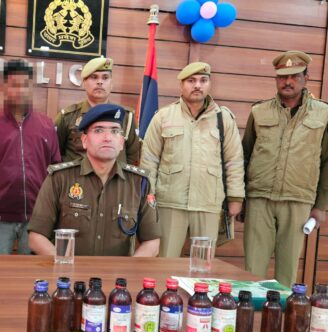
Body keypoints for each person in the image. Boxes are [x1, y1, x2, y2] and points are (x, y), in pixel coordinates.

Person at [241, 50, 328, 286]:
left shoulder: (323, 114)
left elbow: (326, 161)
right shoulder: (259, 111)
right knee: (252, 272)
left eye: (295, 76)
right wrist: (240, 197)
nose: (288, 82)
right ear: (276, 78)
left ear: (306, 78)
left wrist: (320, 205)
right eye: (282, 76)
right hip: (259, 198)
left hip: (298, 200)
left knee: (287, 273)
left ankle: (280, 310)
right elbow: (245, 154)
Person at [140, 62, 245, 257]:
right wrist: (149, 196)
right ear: (181, 85)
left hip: (208, 201)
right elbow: (149, 160)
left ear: (209, 84)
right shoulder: (163, 117)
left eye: (203, 80)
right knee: (165, 261)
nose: (197, 85)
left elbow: (234, 162)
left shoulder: (223, 119)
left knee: (202, 265)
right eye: (191, 81)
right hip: (170, 201)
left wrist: (235, 197)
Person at [28, 104, 160, 257]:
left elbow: (152, 242)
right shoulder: (60, 178)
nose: (107, 137)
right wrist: (64, 263)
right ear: (84, 140)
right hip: (69, 270)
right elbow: (36, 237)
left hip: (117, 272)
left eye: (115, 131)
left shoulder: (139, 183)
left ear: (121, 143)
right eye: (98, 130)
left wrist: (129, 269)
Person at [0, 59, 61, 254]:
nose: (20, 91)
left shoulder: (46, 125)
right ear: (4, 87)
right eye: (14, 85)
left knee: (35, 272)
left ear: (32, 87)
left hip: (38, 220)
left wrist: (54, 211)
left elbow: (56, 170)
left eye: (25, 85)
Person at [54, 57, 140, 164]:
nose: (100, 82)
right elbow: (55, 154)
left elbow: (133, 157)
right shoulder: (67, 117)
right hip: (77, 175)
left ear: (111, 84)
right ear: (84, 83)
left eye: (105, 78)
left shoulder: (126, 117)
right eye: (94, 77)